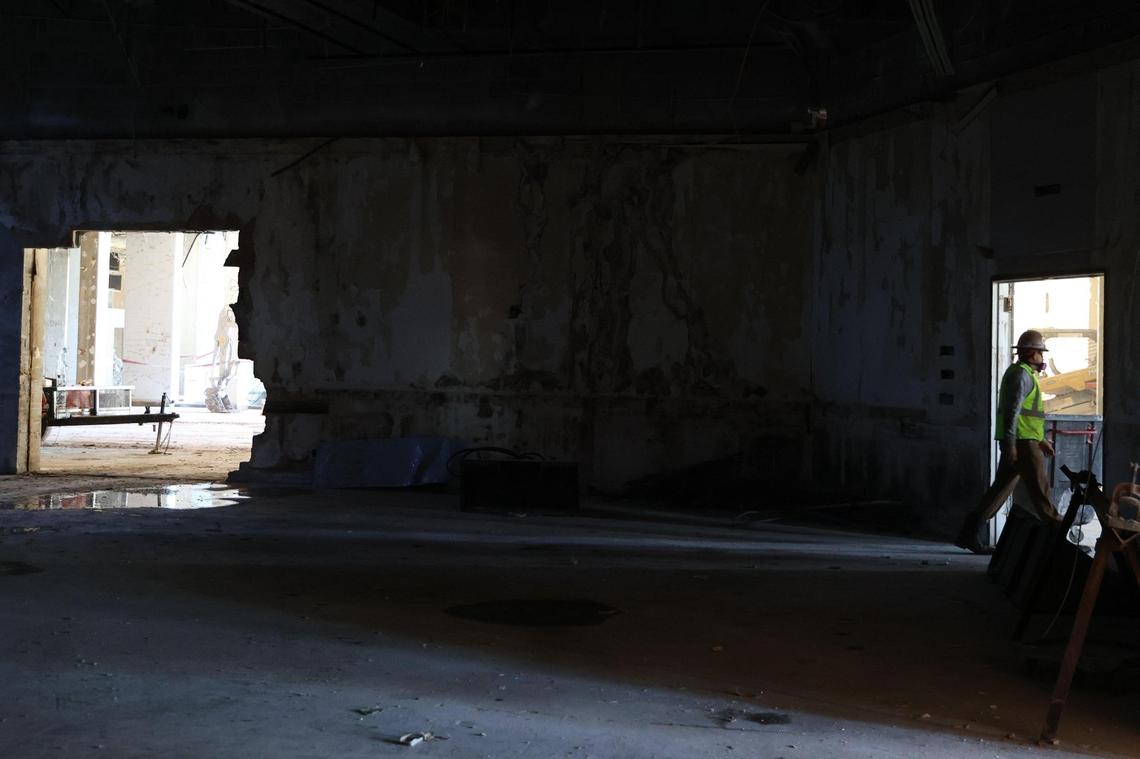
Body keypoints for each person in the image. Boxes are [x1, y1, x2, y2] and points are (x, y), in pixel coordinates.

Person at [955, 329, 1062, 554]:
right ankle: (1060, 543)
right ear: (1032, 353)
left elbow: (1024, 414)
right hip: (1023, 444)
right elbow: (1013, 412)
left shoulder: (1019, 373)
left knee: (1000, 490)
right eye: (1041, 353)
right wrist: (1012, 445)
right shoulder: (1022, 375)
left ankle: (969, 534)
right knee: (1041, 491)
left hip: (1024, 440)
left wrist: (1040, 439)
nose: (1042, 358)